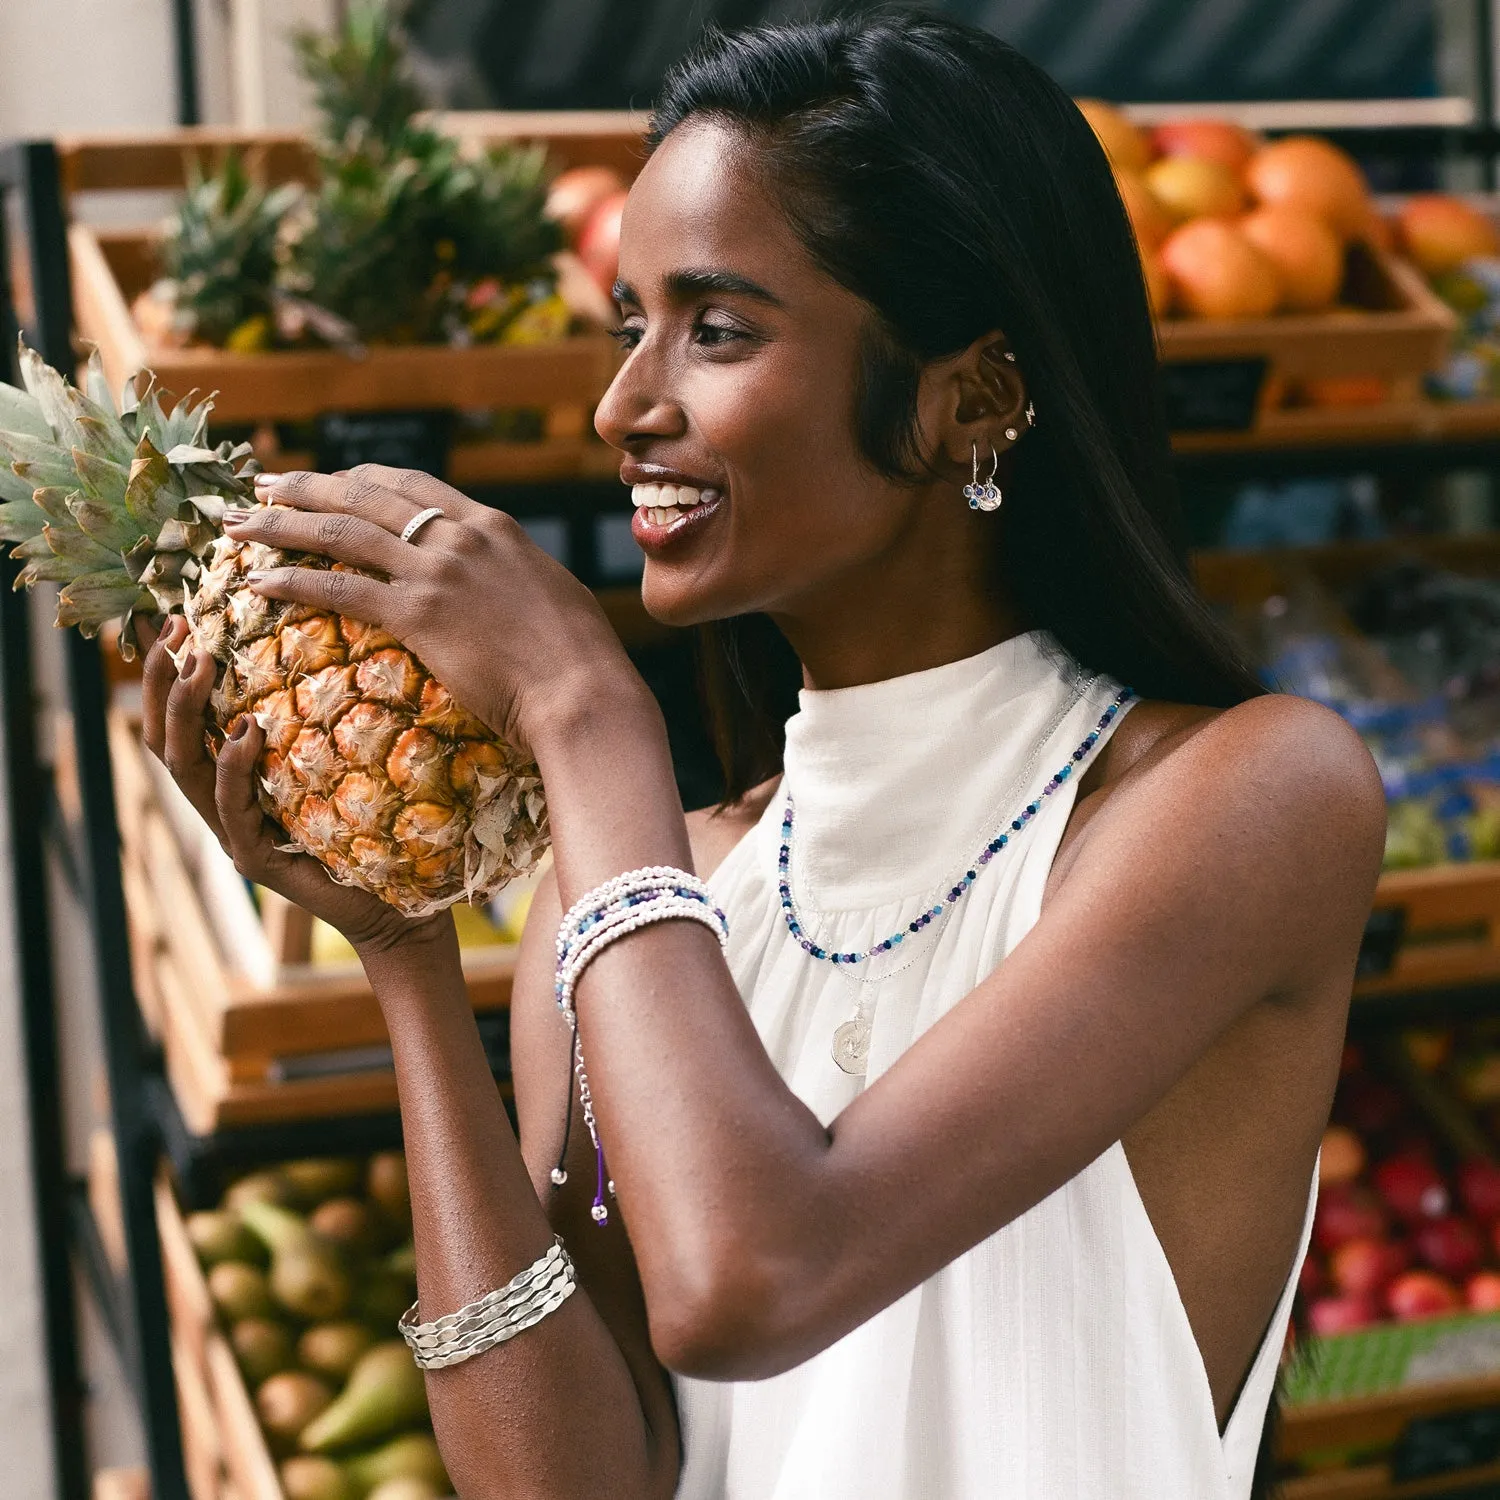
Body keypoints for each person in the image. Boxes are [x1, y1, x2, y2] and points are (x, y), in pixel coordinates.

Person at [141, 14, 1385, 1499]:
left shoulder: (1248, 797)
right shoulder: (637, 905)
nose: (623, 405)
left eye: (716, 329)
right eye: (629, 324)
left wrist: (587, 709)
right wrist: (406, 963)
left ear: (972, 396)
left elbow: (752, 1281)